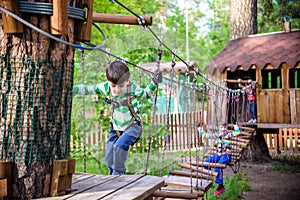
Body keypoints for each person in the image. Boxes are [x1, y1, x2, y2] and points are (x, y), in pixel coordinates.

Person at [73, 60, 162, 175]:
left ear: (127, 81)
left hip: (133, 126)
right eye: (113, 86)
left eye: (121, 86)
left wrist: (154, 83)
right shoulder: (105, 87)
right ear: (108, 82)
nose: (117, 89)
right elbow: (89, 89)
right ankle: (112, 176)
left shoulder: (132, 88)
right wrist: (73, 88)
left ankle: (118, 175)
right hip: (116, 127)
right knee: (109, 157)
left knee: (119, 147)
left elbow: (146, 93)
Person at [199, 123, 240, 196]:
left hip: (226, 155)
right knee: (205, 162)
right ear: (219, 130)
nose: (223, 130)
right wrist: (199, 129)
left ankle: (221, 186)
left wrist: (234, 125)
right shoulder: (217, 136)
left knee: (218, 166)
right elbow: (206, 135)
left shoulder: (229, 135)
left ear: (226, 130)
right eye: (221, 129)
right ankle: (209, 179)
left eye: (224, 129)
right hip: (218, 154)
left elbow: (237, 132)